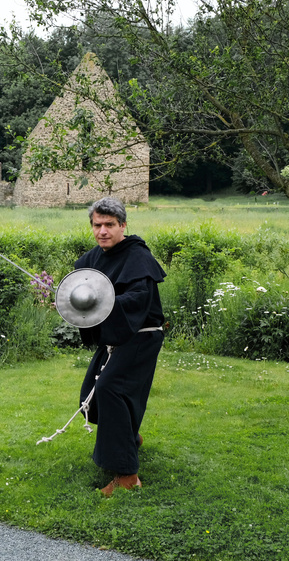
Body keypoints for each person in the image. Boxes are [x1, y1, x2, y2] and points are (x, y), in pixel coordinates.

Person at [74, 197, 166, 497]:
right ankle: (130, 438)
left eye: (109, 225)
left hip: (140, 336)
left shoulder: (137, 256)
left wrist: (103, 303)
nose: (103, 231)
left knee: (111, 389)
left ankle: (127, 476)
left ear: (122, 225)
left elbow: (139, 299)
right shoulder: (92, 259)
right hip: (114, 336)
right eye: (97, 225)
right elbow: (80, 290)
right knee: (92, 394)